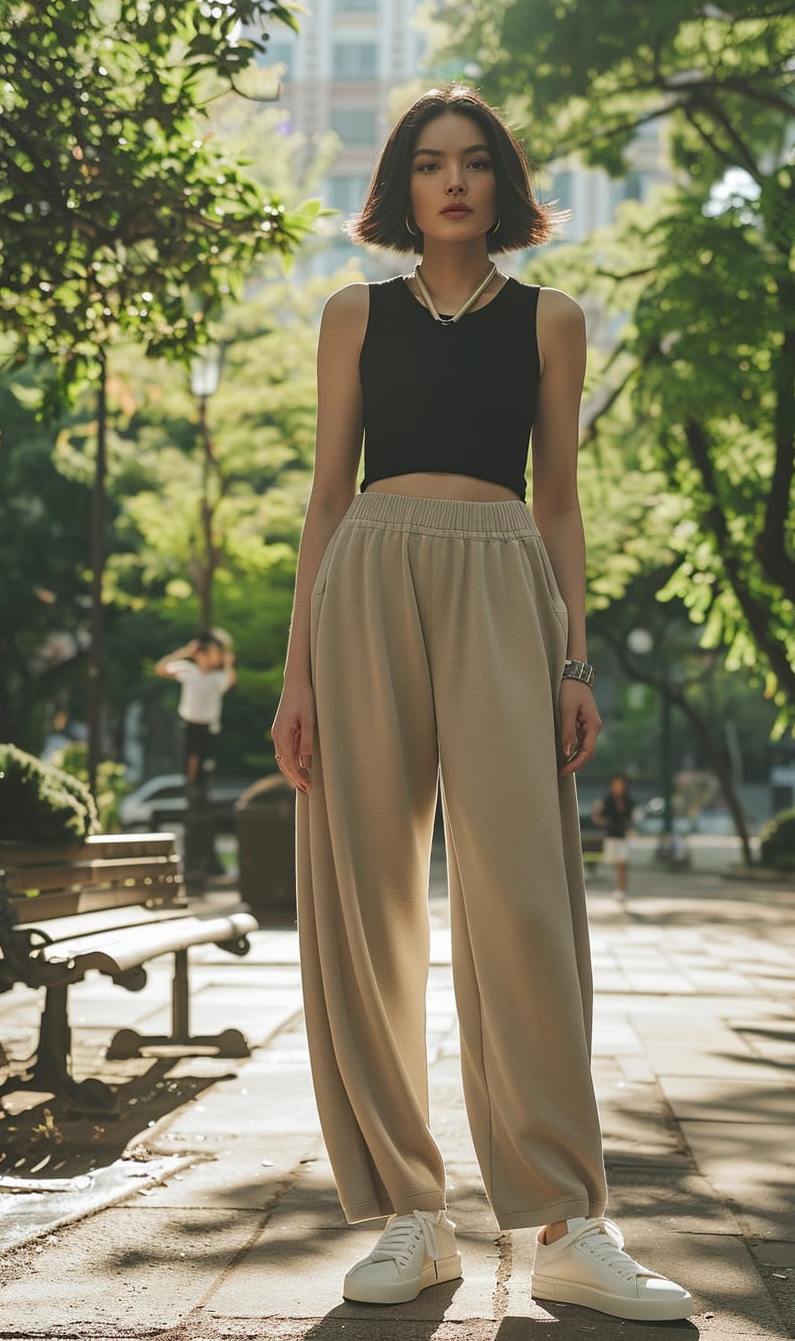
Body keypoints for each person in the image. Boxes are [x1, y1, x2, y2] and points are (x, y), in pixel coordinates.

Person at [271, 86, 692, 1322]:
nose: (451, 184)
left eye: (473, 165)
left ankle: (565, 1223)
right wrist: (295, 672)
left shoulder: (552, 321)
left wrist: (575, 658)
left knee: (522, 898)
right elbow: (324, 497)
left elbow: (557, 498)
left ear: (503, 186)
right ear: (399, 187)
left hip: (505, 579)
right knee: (369, 904)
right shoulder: (351, 313)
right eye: (427, 165)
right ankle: (413, 1210)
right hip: (364, 584)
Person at [156, 633, 236, 786]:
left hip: (208, 725)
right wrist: (185, 652)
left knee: (206, 764)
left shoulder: (217, 677)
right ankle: (190, 788)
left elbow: (231, 681)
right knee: (190, 760)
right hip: (189, 723)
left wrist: (228, 664)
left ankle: (200, 790)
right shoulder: (187, 670)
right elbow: (161, 668)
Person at [592, 773, 635, 897]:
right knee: (616, 863)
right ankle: (619, 888)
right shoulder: (608, 801)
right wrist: (597, 811)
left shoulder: (628, 801)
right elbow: (600, 819)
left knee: (622, 862)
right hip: (611, 836)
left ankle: (621, 889)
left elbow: (630, 820)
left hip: (622, 836)